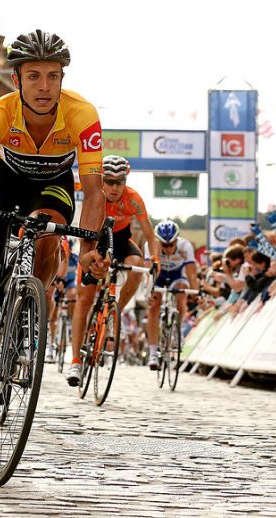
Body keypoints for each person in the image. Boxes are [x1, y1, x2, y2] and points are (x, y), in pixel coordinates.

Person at [0, 30, 107, 440]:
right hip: (1, 183)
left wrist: (89, 247)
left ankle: (28, 304)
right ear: (17, 79)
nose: (44, 87)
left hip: (52, 185)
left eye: (52, 76)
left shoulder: (82, 114)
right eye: (34, 76)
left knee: (47, 229)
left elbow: (95, 190)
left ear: (63, 78)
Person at [65, 155, 160, 385]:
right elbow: (84, 242)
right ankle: (76, 361)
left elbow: (149, 235)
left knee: (137, 265)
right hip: (94, 241)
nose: (115, 187)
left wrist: (155, 258)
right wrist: (91, 260)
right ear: (102, 180)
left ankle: (116, 308)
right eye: (109, 181)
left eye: (120, 181)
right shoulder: (94, 198)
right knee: (84, 299)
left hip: (121, 239)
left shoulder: (134, 199)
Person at [145, 220, 199, 369]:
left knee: (181, 292)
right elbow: (148, 273)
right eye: (164, 245)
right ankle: (153, 353)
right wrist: (148, 291)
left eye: (171, 245)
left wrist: (197, 294)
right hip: (158, 274)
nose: (168, 249)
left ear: (177, 240)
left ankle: (178, 329)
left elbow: (191, 273)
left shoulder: (185, 246)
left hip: (177, 274)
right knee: (154, 306)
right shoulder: (150, 246)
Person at [45, 236, 78, 363]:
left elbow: (65, 262)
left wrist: (61, 280)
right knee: (53, 316)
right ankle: (50, 344)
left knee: (73, 294)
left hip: (67, 279)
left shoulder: (69, 249)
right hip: (54, 275)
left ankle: (70, 322)